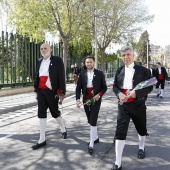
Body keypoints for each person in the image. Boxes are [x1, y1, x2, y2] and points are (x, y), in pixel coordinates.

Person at [111, 46, 153, 170]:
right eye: (123, 55)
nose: (126, 57)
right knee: (120, 132)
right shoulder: (119, 70)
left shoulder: (143, 70)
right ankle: (118, 162)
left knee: (141, 128)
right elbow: (114, 86)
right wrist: (118, 93)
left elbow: (150, 86)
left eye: (128, 54)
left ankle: (141, 146)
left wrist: (137, 93)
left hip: (138, 105)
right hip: (123, 105)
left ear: (133, 55)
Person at [32, 43, 67, 150]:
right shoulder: (39, 61)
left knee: (55, 113)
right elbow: (37, 75)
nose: (43, 50)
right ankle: (42, 139)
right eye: (41, 48)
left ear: (50, 49)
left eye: (45, 48)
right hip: (41, 91)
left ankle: (63, 127)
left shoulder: (57, 60)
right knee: (41, 113)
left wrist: (62, 92)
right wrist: (36, 91)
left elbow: (61, 76)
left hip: (52, 91)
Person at [76, 56, 107, 155]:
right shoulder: (82, 74)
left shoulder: (99, 73)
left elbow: (104, 87)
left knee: (93, 120)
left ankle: (91, 143)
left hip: (96, 99)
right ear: (85, 63)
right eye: (87, 62)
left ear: (94, 63)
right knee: (89, 119)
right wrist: (77, 100)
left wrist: (99, 95)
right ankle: (96, 137)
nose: (89, 64)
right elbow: (78, 88)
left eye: (90, 62)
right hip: (86, 99)